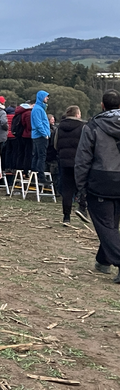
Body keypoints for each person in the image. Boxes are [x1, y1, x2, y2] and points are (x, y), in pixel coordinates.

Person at [75, 89, 120, 283]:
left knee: (106, 226)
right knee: (111, 225)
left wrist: (81, 187)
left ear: (102, 105)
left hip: (101, 180)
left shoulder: (92, 126)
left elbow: (83, 159)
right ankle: (103, 261)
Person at [55, 106, 87, 224]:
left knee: (67, 189)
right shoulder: (83, 127)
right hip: (79, 161)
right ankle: (82, 207)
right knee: (82, 185)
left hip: (64, 161)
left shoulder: (60, 127)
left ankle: (66, 217)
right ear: (77, 114)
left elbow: (55, 143)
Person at [30, 90, 51, 184]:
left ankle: (34, 174)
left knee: (37, 156)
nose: (47, 98)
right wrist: (45, 134)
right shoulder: (38, 109)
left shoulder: (38, 108)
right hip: (40, 136)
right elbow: (39, 124)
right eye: (46, 96)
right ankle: (40, 176)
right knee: (41, 156)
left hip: (37, 135)